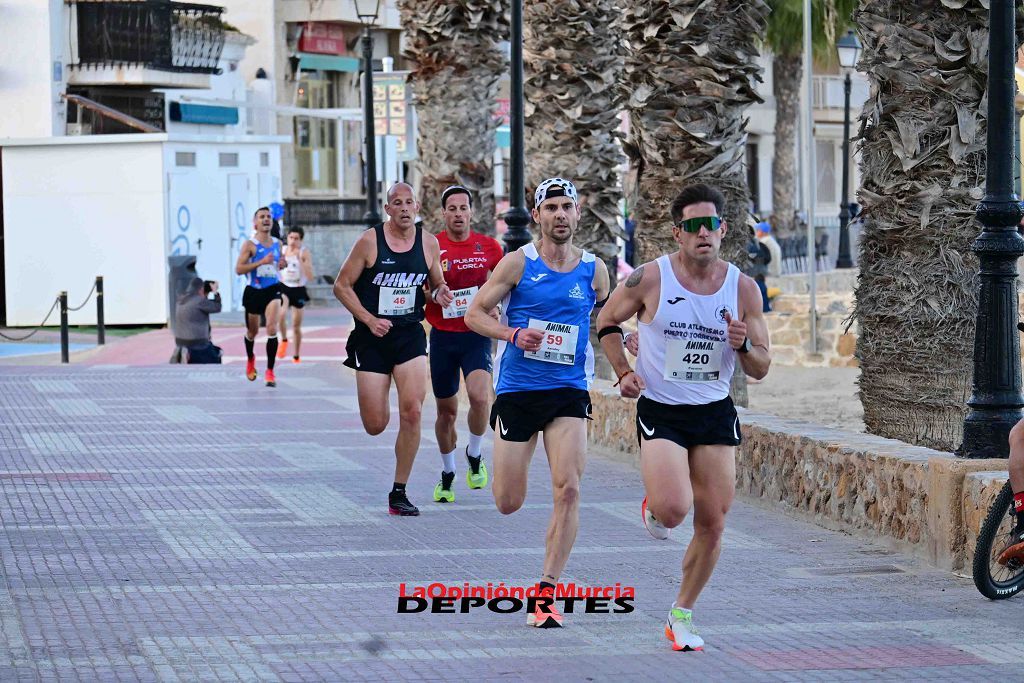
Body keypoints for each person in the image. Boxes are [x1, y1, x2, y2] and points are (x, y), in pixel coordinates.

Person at [596, 183, 770, 651]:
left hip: (714, 411)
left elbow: (761, 367)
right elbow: (606, 321)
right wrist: (624, 371)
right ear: (677, 233)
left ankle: (682, 613)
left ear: (723, 229)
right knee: (674, 509)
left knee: (713, 521)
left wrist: (743, 344)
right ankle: (654, 504)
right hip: (663, 410)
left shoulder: (743, 288)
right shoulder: (650, 279)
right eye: (692, 226)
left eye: (710, 224)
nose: (702, 234)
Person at [465, 177, 610, 628]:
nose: (560, 215)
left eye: (568, 206)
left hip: (568, 389)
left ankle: (546, 592)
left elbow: (608, 318)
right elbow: (473, 314)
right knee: (508, 501)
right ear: (537, 217)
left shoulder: (594, 269)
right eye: (552, 208)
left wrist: (628, 345)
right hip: (518, 391)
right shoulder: (517, 264)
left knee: (568, 489)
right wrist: (512, 333)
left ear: (579, 213)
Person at [333, 182, 453, 516]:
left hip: (409, 335)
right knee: (375, 424)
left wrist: (440, 293)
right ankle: (378, 396)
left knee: (413, 411)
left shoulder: (428, 243)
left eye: (409, 202)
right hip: (371, 338)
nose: (403, 208)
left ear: (417, 207)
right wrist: (369, 320)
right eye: (396, 203)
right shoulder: (370, 241)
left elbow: (435, 285)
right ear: (387, 209)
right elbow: (341, 286)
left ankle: (399, 491)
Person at [424, 185, 504, 503]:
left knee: (481, 398)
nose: (458, 213)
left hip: (475, 334)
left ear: (472, 212)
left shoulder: (489, 248)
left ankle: (474, 453)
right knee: (446, 412)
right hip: (443, 336)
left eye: (463, 208)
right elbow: (419, 287)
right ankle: (447, 472)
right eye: (452, 208)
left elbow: (508, 285)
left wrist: (497, 306)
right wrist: (433, 294)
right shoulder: (432, 247)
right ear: (443, 213)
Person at [235, 207, 286, 387]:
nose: (266, 219)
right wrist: (260, 262)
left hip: (272, 289)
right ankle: (251, 359)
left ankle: (270, 372)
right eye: (262, 217)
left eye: (268, 217)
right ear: (255, 222)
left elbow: (279, 265)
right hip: (254, 291)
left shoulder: (278, 244)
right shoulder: (249, 245)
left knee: (272, 328)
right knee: (253, 332)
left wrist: (282, 263)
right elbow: (239, 269)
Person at [277, 226, 314, 363]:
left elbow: (310, 276)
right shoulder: (283, 251)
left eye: (296, 239)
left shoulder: (304, 253)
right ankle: (284, 340)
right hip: (284, 286)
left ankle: (296, 355)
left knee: (296, 325)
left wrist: (300, 260)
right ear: (287, 238)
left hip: (299, 288)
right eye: (291, 238)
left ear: (301, 240)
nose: (293, 241)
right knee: (280, 314)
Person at [173, 277, 222, 364]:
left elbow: (201, 306)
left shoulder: (181, 299)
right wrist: (215, 292)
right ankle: (189, 355)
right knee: (217, 354)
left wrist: (205, 294)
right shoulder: (200, 301)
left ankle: (184, 352)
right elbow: (217, 307)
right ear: (201, 289)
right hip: (197, 343)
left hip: (180, 341)